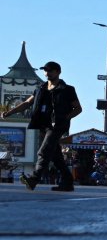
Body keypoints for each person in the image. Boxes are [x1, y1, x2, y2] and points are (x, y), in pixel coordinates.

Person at [12, 60, 81, 192]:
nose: (47, 73)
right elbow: (27, 103)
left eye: (50, 70)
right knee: (56, 157)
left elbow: (78, 109)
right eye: (45, 70)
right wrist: (10, 112)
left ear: (58, 72)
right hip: (44, 126)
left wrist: (65, 118)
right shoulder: (40, 89)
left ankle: (33, 179)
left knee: (43, 151)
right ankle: (67, 183)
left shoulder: (67, 90)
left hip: (57, 126)